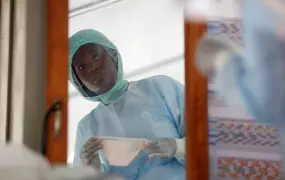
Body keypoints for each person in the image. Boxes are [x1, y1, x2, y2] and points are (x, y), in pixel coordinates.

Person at [69, 29, 185, 180]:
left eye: (96, 57)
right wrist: (93, 173)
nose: (92, 68)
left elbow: (207, 136)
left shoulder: (160, 87)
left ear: (113, 55)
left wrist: (179, 147)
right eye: (82, 67)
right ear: (77, 80)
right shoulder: (86, 128)